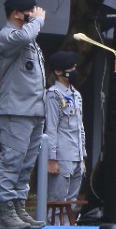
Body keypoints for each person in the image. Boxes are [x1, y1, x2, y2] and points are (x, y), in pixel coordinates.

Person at [0, 0, 48, 229]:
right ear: (16, 13)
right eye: (29, 11)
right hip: (15, 110)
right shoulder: (7, 36)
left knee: (26, 164)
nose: (34, 14)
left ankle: (18, 208)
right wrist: (37, 22)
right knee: (12, 161)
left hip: (34, 111)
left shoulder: (29, 40)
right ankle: (6, 213)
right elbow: (24, 36)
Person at [44, 51, 86, 204]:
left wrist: (83, 157)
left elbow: (80, 127)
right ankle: (56, 228)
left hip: (76, 156)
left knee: (72, 202)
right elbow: (51, 128)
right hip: (62, 156)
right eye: (71, 68)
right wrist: (51, 159)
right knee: (57, 201)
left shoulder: (76, 95)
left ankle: (69, 228)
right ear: (58, 71)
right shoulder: (53, 95)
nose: (74, 71)